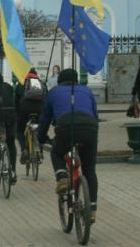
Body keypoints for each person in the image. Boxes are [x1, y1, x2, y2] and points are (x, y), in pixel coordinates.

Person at [38, 69, 99, 223]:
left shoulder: (53, 92)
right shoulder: (87, 90)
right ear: (77, 80)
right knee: (90, 170)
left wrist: (41, 137)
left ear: (59, 81)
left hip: (66, 128)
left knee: (57, 153)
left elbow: (45, 118)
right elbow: (95, 115)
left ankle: (62, 178)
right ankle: (91, 210)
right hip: (89, 129)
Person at [16, 67, 46, 163]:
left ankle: (24, 149)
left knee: (19, 130)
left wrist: (17, 114)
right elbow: (47, 99)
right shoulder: (41, 84)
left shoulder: (21, 83)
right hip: (39, 110)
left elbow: (16, 100)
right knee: (40, 130)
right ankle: (40, 151)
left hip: (25, 110)